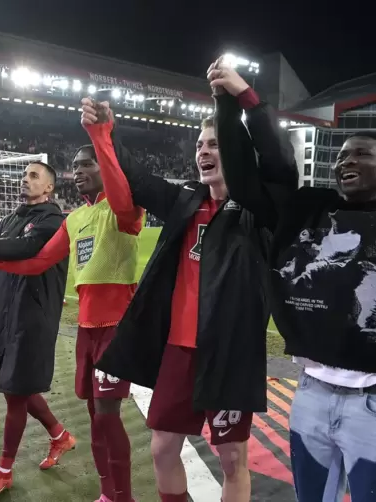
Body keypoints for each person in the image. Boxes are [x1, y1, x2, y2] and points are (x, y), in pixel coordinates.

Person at [83, 95, 273, 502]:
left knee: (232, 459)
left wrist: (247, 104)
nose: (203, 151)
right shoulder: (186, 200)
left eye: (215, 144)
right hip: (178, 351)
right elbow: (136, 177)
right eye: (200, 145)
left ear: (238, 153)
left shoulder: (258, 210)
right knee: (162, 448)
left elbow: (275, 168)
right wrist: (102, 133)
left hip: (228, 355)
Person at [207, 60, 376, 502]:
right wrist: (234, 105)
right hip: (311, 394)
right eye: (341, 156)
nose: (347, 162)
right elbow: (253, 179)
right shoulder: (310, 209)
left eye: (362, 153)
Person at [0, 138, 143, 502]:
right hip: (87, 331)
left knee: (106, 417)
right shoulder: (75, 218)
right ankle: (108, 494)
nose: (79, 171)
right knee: (94, 415)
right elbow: (37, 262)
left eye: (88, 164)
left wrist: (101, 133)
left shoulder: (124, 209)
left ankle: (123, 497)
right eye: (75, 165)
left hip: (116, 328)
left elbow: (32, 252)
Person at [0, 162, 75, 501]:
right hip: (9, 316)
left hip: (36, 317)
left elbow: (27, 250)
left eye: (34, 175)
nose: (26, 178)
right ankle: (59, 435)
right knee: (16, 388)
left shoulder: (53, 221)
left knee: (14, 390)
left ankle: (3, 471)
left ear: (50, 188)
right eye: (24, 174)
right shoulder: (8, 221)